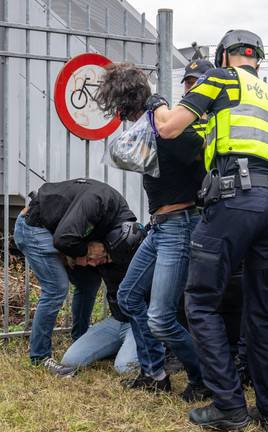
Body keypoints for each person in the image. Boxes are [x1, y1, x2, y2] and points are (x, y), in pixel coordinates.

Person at [150, 30, 268, 431]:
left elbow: (169, 128)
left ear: (223, 57)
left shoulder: (222, 79)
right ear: (259, 61)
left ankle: (229, 406)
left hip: (236, 200)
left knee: (200, 301)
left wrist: (158, 103)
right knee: (260, 309)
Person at [95, 63, 210, 403]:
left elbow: (200, 161)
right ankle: (155, 373)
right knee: (129, 296)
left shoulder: (176, 130)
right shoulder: (148, 129)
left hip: (179, 226)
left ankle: (202, 378)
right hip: (159, 228)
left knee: (160, 317)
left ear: (128, 103)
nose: (122, 117)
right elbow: (122, 153)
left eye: (122, 109)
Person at [13, 178, 144, 375]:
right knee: (56, 289)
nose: (96, 262)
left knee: (89, 282)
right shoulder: (99, 201)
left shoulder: (117, 223)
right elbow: (64, 239)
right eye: (101, 256)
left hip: (61, 233)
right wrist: (85, 252)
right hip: (35, 228)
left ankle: (81, 338)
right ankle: (40, 356)